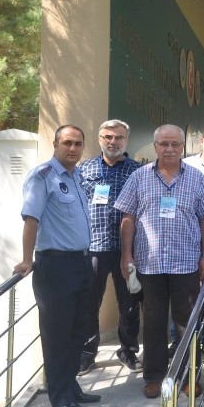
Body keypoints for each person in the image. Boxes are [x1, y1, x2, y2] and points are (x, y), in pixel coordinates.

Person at [115, 125, 204, 399]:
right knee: (153, 322)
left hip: (186, 263)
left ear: (183, 147)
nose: (169, 149)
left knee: (186, 323)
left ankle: (186, 376)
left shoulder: (196, 178)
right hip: (150, 264)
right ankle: (154, 377)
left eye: (175, 144)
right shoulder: (139, 177)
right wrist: (127, 254)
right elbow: (127, 218)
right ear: (155, 146)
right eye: (164, 144)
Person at [14, 125, 100, 407]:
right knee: (57, 334)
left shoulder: (76, 177)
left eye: (78, 144)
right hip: (55, 266)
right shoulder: (42, 177)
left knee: (78, 331)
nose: (73, 148)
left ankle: (71, 385)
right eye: (67, 143)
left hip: (81, 263)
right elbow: (31, 220)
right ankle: (59, 396)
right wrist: (27, 259)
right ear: (55, 144)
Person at [78, 119, 142, 374]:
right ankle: (86, 353)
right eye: (108, 137)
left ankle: (128, 350)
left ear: (126, 140)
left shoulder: (137, 171)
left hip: (127, 248)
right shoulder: (84, 170)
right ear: (99, 139)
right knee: (89, 303)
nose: (113, 142)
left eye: (118, 137)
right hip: (93, 247)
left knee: (129, 303)